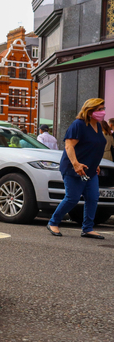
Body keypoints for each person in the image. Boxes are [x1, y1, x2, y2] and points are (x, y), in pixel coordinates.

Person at [47, 98, 107, 239]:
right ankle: (53, 222)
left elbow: (92, 147)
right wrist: (76, 164)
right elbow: (69, 146)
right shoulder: (78, 124)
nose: (102, 112)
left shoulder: (98, 126)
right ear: (90, 111)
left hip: (90, 170)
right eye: (99, 109)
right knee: (72, 198)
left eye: (103, 108)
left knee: (92, 198)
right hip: (74, 167)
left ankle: (87, 228)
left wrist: (95, 163)